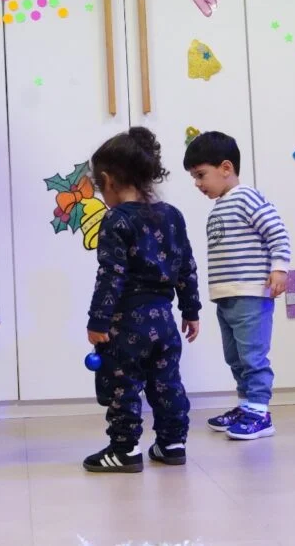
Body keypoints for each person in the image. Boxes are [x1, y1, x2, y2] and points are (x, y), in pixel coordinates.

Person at [82, 127, 201, 474]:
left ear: (108, 180)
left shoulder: (116, 219)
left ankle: (124, 449)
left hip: (128, 323)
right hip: (164, 321)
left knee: (123, 385)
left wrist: (98, 321)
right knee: (167, 383)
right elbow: (186, 266)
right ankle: (172, 444)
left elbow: (111, 274)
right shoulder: (172, 215)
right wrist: (190, 309)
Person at [183, 131, 291, 440]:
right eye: (194, 177)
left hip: (250, 293)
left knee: (253, 356)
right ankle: (246, 406)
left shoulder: (247, 197)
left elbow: (277, 233)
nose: (197, 183)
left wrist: (279, 269)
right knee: (235, 357)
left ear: (226, 168)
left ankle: (260, 412)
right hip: (227, 296)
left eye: (201, 174)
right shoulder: (220, 206)